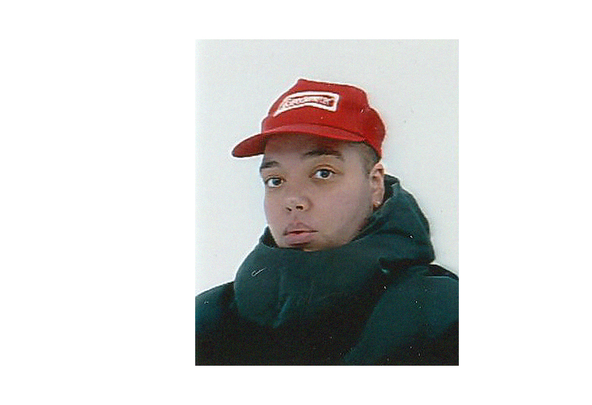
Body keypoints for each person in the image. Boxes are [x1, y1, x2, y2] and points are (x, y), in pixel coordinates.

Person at [195, 78, 458, 365]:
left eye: (323, 173)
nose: (293, 199)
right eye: (275, 180)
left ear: (374, 184)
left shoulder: (444, 316)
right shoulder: (205, 321)